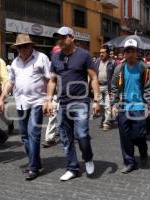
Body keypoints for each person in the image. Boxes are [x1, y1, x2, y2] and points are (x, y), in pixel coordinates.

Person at [43, 26, 100, 181]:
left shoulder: (84, 55)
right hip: (62, 103)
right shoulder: (55, 57)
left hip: (81, 102)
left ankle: (87, 157)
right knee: (65, 137)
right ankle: (72, 167)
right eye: (58, 38)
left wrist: (96, 100)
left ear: (72, 38)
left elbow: (94, 78)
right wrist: (48, 100)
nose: (60, 40)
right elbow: (52, 81)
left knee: (81, 135)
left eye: (63, 37)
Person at [0, 34, 50, 180]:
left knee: (33, 134)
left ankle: (33, 167)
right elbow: (10, 83)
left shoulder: (41, 58)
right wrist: (1, 99)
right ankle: (36, 163)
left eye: (25, 46)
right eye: (20, 47)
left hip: (37, 102)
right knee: (25, 136)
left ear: (31, 46)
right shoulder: (15, 62)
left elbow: (49, 79)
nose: (23, 49)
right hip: (21, 102)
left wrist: (48, 100)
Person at [110, 38, 150, 174]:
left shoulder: (144, 68)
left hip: (139, 108)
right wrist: (114, 104)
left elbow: (148, 88)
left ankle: (143, 151)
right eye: (127, 51)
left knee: (138, 135)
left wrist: (147, 106)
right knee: (124, 137)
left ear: (137, 52)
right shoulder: (119, 68)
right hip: (123, 107)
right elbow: (114, 87)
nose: (129, 54)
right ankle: (130, 162)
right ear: (124, 53)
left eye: (132, 51)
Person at [94, 45, 116, 131]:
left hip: (108, 87)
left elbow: (116, 76)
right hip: (98, 87)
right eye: (100, 52)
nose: (101, 54)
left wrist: (115, 89)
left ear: (107, 53)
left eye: (103, 52)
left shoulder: (113, 63)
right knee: (101, 106)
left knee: (107, 106)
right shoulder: (97, 62)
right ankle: (104, 118)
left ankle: (106, 123)